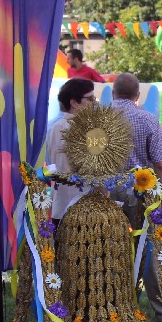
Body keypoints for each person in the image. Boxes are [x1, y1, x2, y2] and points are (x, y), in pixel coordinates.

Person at [111, 72, 162, 321]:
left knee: (109, 247)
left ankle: (113, 305)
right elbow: (160, 165)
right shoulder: (147, 119)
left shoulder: (99, 119)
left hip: (105, 191)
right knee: (150, 248)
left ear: (113, 93)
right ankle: (161, 309)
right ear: (137, 95)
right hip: (140, 192)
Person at [47, 78, 97, 223]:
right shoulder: (83, 129)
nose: (94, 103)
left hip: (62, 205)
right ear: (74, 102)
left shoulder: (56, 127)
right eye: (90, 99)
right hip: (81, 207)